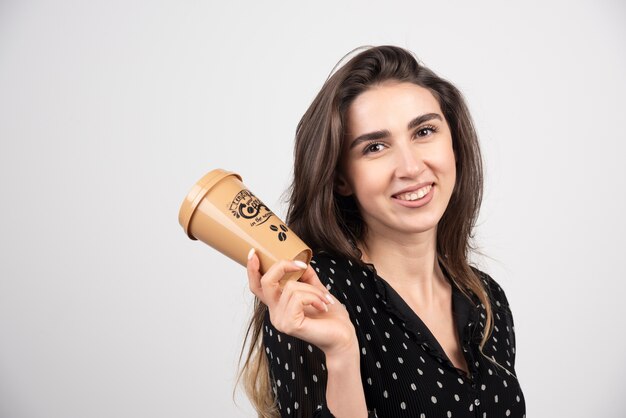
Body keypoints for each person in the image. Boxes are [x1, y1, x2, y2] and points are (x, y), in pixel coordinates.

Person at [239, 45, 526, 418]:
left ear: (453, 142)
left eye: (424, 131)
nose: (410, 166)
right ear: (341, 178)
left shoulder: (486, 300)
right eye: (375, 147)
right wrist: (342, 355)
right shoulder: (316, 291)